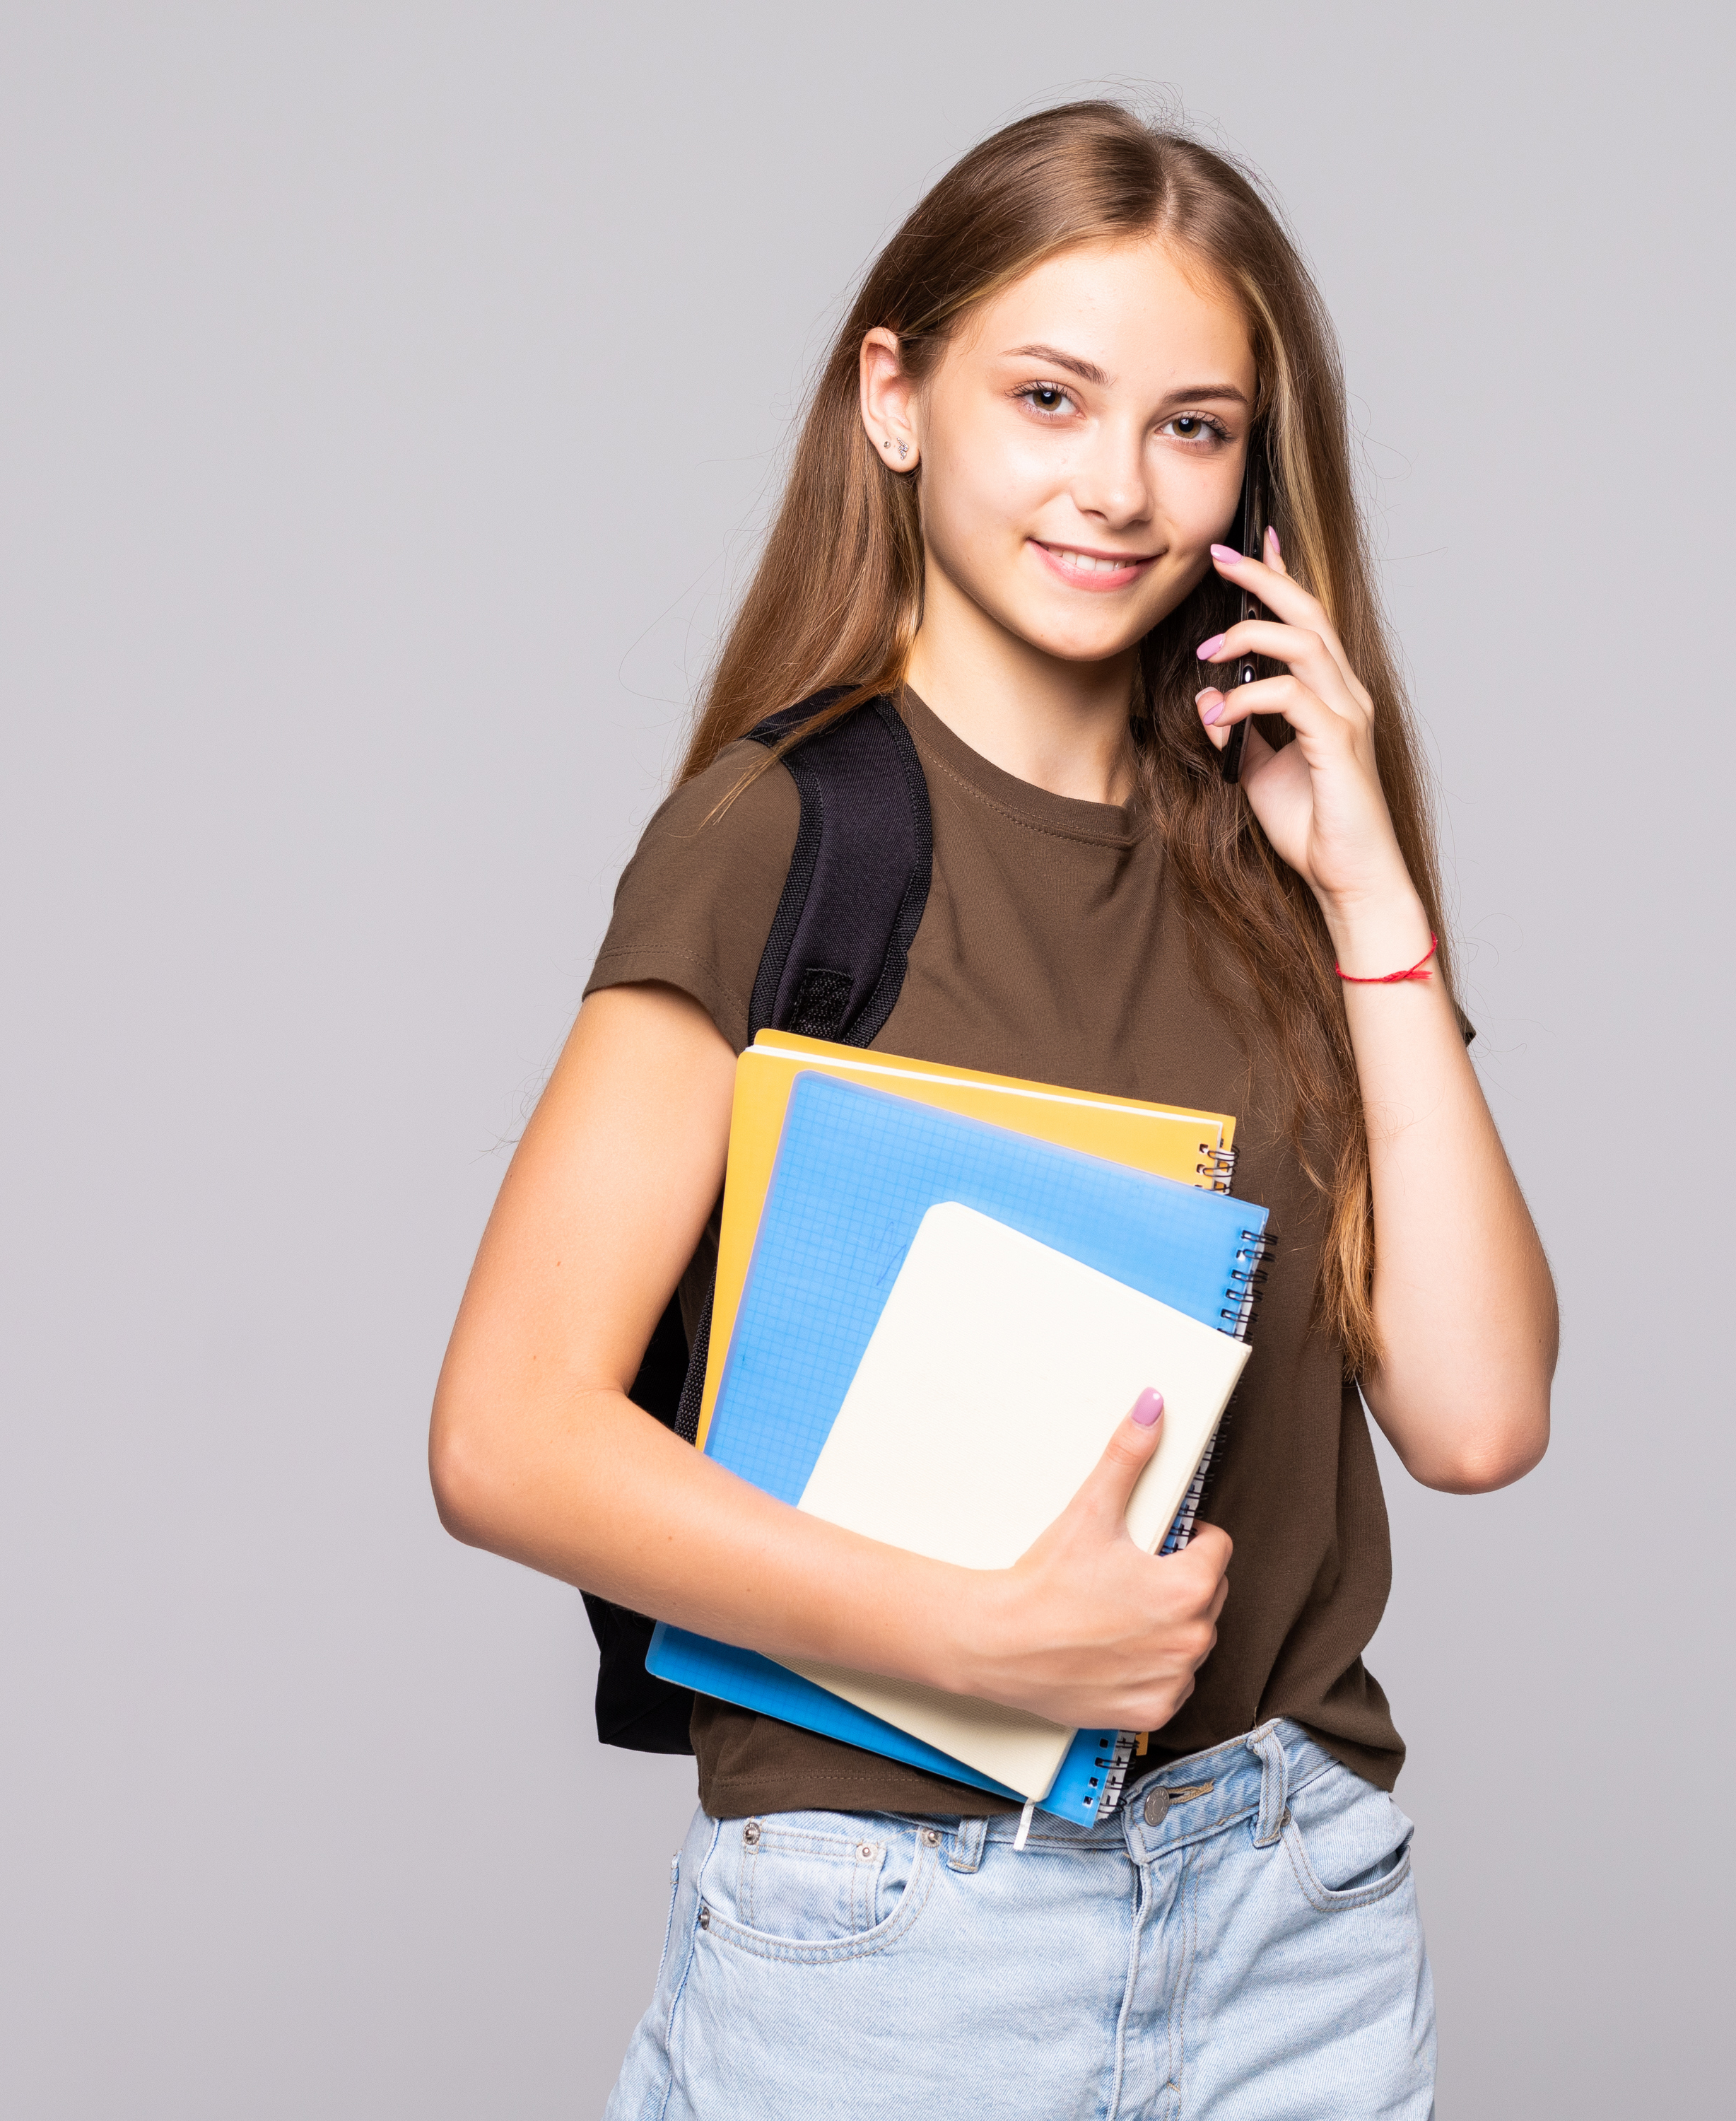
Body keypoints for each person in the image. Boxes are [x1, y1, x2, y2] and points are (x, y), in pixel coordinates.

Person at [430, 101, 1559, 2120]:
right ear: (895, 392)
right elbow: (507, 1434)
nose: (1116, 486)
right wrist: (988, 1640)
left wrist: (1371, 895)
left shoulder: (1279, 869)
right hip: (900, 1934)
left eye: (1191, 427)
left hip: (1291, 1908)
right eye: (1048, 396)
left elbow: (1473, 1416)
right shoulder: (783, 835)